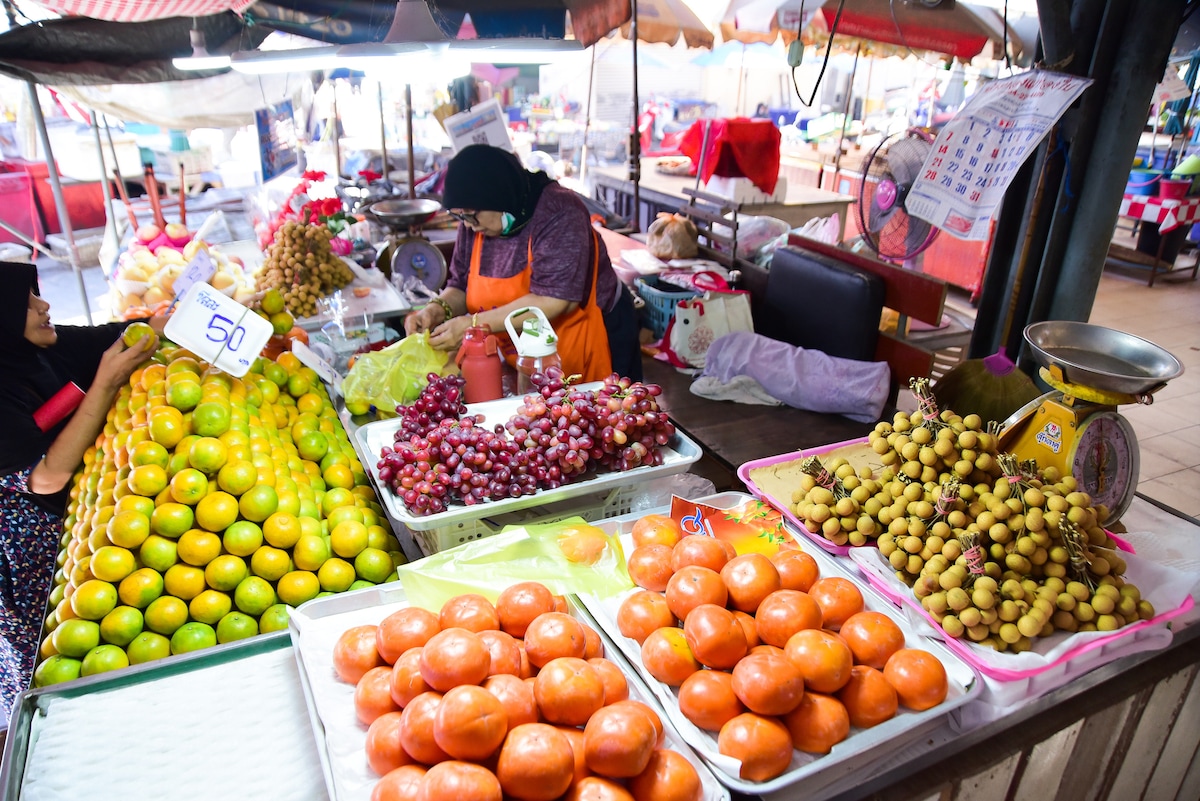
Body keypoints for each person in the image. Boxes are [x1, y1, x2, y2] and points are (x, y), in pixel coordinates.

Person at [0, 263, 164, 724]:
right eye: (25, 303)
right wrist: (108, 380)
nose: (43, 306)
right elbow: (46, 475)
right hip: (30, 548)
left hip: (86, 517)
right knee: (56, 652)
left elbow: (119, 335)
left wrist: (189, 320)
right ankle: (43, 726)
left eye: (38, 293)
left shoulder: (38, 349)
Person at [404, 145, 642, 383]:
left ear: (498, 196)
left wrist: (473, 325)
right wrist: (437, 309)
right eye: (460, 216)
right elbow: (460, 285)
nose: (466, 224)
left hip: (594, 336)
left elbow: (554, 300)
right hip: (525, 351)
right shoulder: (474, 221)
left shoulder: (559, 212)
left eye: (470, 214)